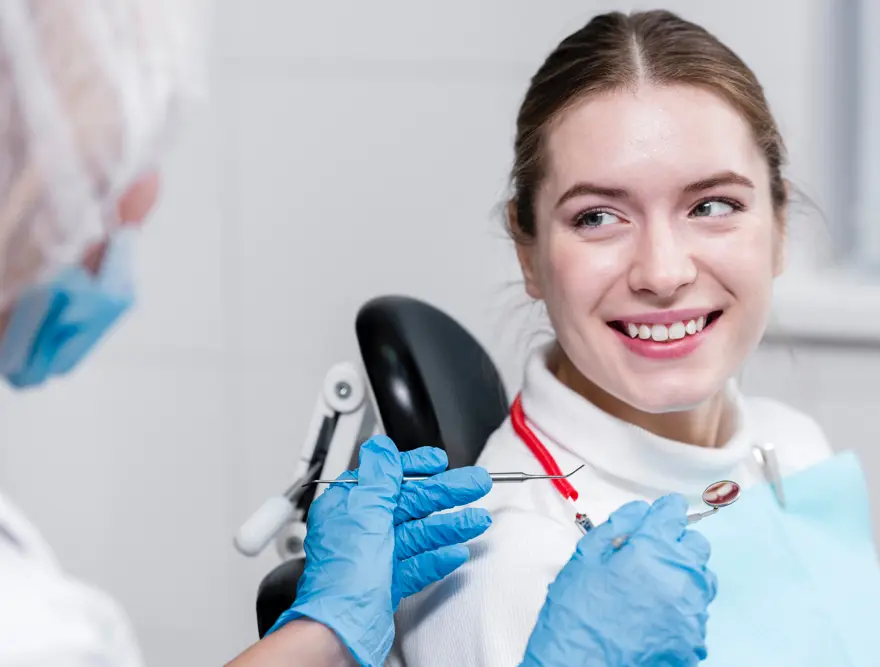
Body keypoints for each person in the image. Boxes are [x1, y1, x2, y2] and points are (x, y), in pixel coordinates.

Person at [0, 2, 718, 666]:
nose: (663, 269)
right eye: (101, 169)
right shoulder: (35, 627)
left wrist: (323, 629)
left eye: (714, 205)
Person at [389, 9, 837, 666]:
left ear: (779, 225)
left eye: (712, 205)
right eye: (598, 216)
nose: (662, 272)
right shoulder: (506, 563)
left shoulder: (793, 448)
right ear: (528, 253)